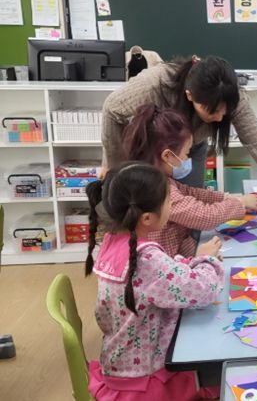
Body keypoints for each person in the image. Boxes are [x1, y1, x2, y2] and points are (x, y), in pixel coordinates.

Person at [101, 55, 257, 222]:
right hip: (150, 154)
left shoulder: (232, 97)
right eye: (212, 111)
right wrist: (115, 167)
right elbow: (111, 109)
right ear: (190, 96)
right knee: (152, 211)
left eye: (225, 112)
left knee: (186, 209)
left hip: (187, 150)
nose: (219, 118)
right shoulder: (155, 85)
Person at [85, 161, 223, 400]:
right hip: (145, 380)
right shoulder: (146, 258)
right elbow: (204, 290)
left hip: (119, 363)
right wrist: (207, 261)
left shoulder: (112, 242)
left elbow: (160, 275)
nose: (171, 207)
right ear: (147, 218)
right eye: (169, 201)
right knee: (221, 374)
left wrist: (190, 261)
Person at [122, 103, 257, 258]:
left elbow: (191, 193)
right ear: (167, 156)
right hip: (169, 266)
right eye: (186, 153)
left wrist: (227, 198)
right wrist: (239, 204)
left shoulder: (158, 178)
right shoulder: (155, 191)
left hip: (178, 258)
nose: (188, 159)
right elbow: (204, 216)